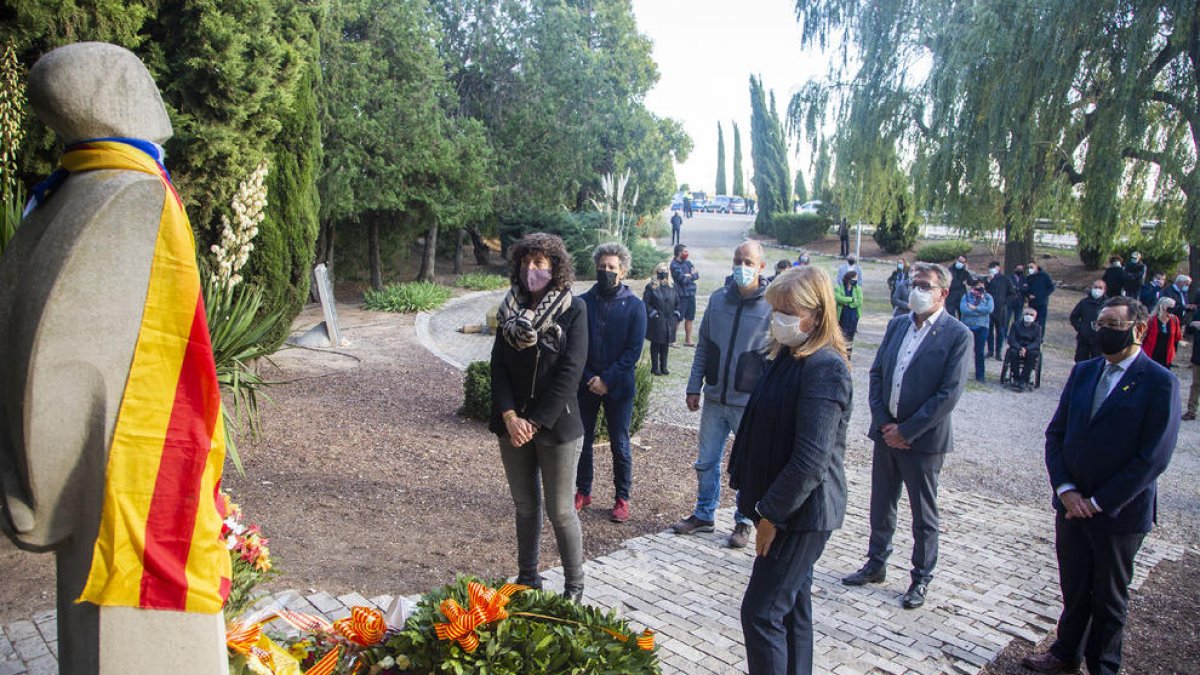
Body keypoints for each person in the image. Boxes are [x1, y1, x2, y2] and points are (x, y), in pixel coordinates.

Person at [1024, 296, 1179, 675]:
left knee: (1109, 598)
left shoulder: (1160, 383)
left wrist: (1098, 500)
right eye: (1100, 326)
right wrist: (1066, 490)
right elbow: (1056, 434)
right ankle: (1065, 652)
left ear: (1138, 329)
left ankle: (1103, 666)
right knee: (1074, 586)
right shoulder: (1084, 372)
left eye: (1112, 326)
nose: (1103, 332)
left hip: (1118, 513)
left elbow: (1153, 458)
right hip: (1072, 505)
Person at [728, 266, 851, 675]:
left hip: (799, 514)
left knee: (761, 614)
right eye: (775, 309)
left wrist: (770, 516)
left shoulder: (824, 367)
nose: (779, 318)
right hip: (782, 508)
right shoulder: (788, 355)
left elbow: (810, 460)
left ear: (816, 315)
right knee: (794, 608)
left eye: (789, 310)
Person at [842, 262, 971, 610]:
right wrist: (885, 423)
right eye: (915, 283)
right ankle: (876, 562)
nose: (917, 290)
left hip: (923, 442)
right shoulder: (898, 324)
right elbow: (878, 374)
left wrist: (908, 431)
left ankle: (921, 577)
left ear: (942, 292)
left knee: (922, 513)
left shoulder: (958, 335)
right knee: (881, 503)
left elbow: (948, 394)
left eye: (925, 285)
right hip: (887, 434)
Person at [490, 233, 588, 601]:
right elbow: (497, 365)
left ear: (555, 267)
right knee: (525, 505)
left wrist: (534, 421)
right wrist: (511, 416)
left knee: (561, 510)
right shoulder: (508, 310)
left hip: (556, 426)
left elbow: (571, 370)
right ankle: (528, 577)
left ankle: (574, 587)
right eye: (527, 262)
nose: (531, 269)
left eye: (540, 263)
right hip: (511, 424)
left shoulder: (574, 310)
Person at [672, 240, 773, 549]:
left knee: (749, 466)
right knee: (706, 461)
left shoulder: (771, 305)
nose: (742, 266)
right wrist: (693, 386)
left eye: (748, 261)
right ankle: (704, 514)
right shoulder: (717, 300)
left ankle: (744, 521)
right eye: (738, 260)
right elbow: (703, 347)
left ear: (761, 267)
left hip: (749, 403)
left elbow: (775, 356)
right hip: (715, 399)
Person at [575, 243, 646, 523]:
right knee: (583, 441)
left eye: (612, 268)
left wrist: (606, 379)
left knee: (620, 443)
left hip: (619, 388)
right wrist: (589, 378)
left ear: (623, 271)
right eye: (602, 266)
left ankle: (622, 498)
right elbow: (575, 347)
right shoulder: (582, 303)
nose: (606, 271)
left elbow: (633, 352)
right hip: (586, 384)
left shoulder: (635, 306)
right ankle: (583, 490)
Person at [644, 262, 679, 376]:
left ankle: (664, 366)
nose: (663, 272)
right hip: (657, 319)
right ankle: (655, 367)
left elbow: (678, 302)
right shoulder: (651, 287)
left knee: (665, 343)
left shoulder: (672, 287)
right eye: (661, 269)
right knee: (656, 343)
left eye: (665, 269)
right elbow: (646, 303)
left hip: (669, 319)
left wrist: (676, 314)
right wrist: (653, 313)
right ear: (656, 271)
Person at [959, 279, 994, 382]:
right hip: (967, 325)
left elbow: (989, 310)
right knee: (963, 351)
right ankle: (960, 374)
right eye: (978, 286)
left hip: (982, 326)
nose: (980, 288)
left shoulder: (988, 297)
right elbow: (963, 310)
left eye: (982, 286)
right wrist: (979, 311)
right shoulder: (966, 296)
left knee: (979, 351)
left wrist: (974, 308)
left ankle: (980, 376)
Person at [1069, 279, 1107, 362]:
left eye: (1100, 288)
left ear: (1104, 290)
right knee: (1080, 362)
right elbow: (1073, 317)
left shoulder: (1107, 304)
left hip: (1099, 340)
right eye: (1095, 287)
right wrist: (1081, 328)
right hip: (1083, 338)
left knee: (1096, 363)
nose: (1097, 290)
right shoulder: (1084, 303)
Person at [1006, 308, 1043, 392]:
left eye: (1031, 315)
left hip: (1030, 348)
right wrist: (1020, 348)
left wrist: (1026, 349)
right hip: (1017, 346)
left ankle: (1024, 379)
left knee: (1033, 354)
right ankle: (1016, 378)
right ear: (1023, 315)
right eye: (1027, 314)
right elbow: (1011, 339)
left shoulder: (1037, 328)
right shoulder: (1016, 325)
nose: (1028, 316)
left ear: (1035, 317)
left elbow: (1037, 342)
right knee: (1013, 353)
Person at [670, 244, 700, 346]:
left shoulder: (688, 263)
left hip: (691, 294)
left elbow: (697, 274)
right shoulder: (674, 265)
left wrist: (689, 275)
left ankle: (688, 340)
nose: (687, 253)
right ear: (679, 253)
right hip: (681, 295)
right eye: (685, 251)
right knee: (678, 317)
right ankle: (672, 340)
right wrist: (690, 276)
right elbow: (682, 279)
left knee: (690, 317)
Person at [1141, 297, 1182, 368]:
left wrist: (1173, 353)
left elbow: (1177, 338)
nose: (1172, 309)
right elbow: (1143, 337)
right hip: (1151, 353)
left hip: (1166, 355)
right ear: (1163, 307)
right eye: (1170, 307)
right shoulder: (1151, 320)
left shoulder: (1174, 320)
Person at [985, 261, 1014, 360]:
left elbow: (1012, 293)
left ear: (998, 268)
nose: (992, 269)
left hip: (1001, 309)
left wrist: (1005, 302)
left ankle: (998, 352)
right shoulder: (988, 279)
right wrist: (988, 281)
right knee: (989, 331)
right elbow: (983, 290)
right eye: (990, 268)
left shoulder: (1005, 279)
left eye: (993, 267)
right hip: (989, 309)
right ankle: (990, 350)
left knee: (1000, 331)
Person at [834, 270, 863, 359]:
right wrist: (850, 299)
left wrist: (848, 303)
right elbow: (838, 298)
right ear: (849, 279)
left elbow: (859, 301)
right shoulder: (839, 287)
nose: (856, 280)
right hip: (842, 316)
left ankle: (848, 357)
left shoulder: (858, 288)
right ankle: (840, 355)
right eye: (854, 278)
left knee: (850, 337)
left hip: (853, 317)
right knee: (841, 336)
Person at [1026, 261, 1056, 329]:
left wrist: (1043, 295)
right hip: (1032, 303)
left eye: (1031, 267)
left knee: (1041, 322)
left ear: (1036, 266)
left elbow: (1051, 287)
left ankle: (1040, 338)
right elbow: (1026, 289)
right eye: (1028, 267)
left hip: (1042, 303)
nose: (1030, 269)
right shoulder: (1029, 277)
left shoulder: (1044, 275)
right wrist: (1028, 295)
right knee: (1031, 321)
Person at [1184, 317, 1200, 421]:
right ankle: (1191, 411)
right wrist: (1192, 324)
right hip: (1198, 357)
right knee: (1195, 385)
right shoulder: (1198, 313)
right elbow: (1188, 330)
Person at [1007, 264, 1029, 330]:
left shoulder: (1025, 279)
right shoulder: (1009, 278)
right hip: (1010, 302)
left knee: (1018, 321)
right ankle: (1004, 336)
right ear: (1014, 269)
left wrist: (1017, 288)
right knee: (1006, 320)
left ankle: (1016, 335)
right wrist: (1019, 288)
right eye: (1018, 268)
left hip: (1020, 302)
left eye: (1021, 269)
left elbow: (1026, 288)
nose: (1020, 270)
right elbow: (1009, 288)